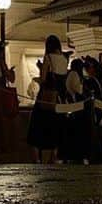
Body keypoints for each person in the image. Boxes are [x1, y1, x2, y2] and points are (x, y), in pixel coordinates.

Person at [27, 35, 69, 163]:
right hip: (59, 98)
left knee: (36, 127)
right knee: (56, 127)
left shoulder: (48, 57)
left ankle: (38, 158)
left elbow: (44, 79)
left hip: (46, 98)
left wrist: (37, 75)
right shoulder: (64, 59)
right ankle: (54, 156)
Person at [81, 56, 102, 164]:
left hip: (95, 110)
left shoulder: (91, 81)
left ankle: (96, 157)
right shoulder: (101, 80)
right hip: (101, 109)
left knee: (95, 134)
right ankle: (101, 157)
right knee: (99, 134)